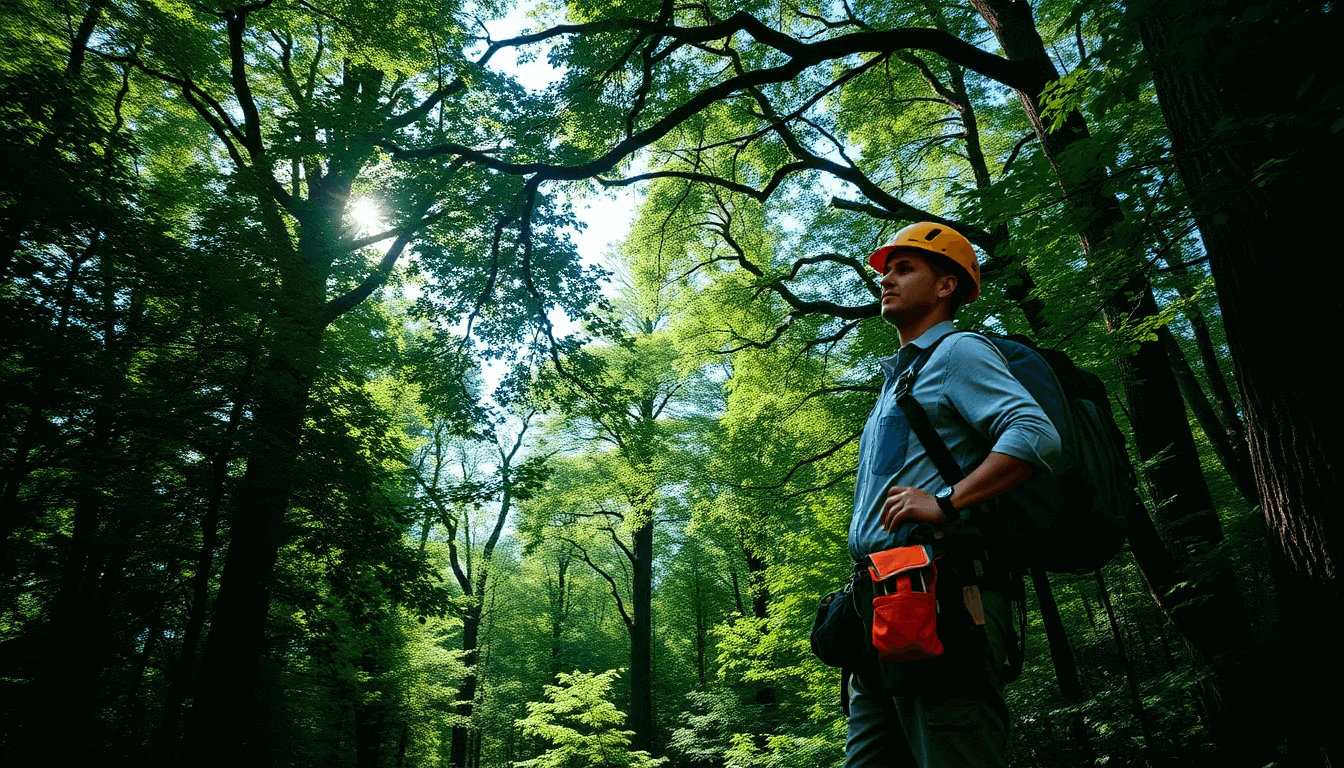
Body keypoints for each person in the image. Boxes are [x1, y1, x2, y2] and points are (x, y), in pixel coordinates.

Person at [846, 222, 1061, 768]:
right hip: (882, 599)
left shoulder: (959, 351)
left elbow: (1033, 433)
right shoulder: (899, 379)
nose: (886, 281)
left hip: (941, 593)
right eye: (885, 271)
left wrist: (943, 501)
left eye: (904, 269)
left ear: (945, 286)